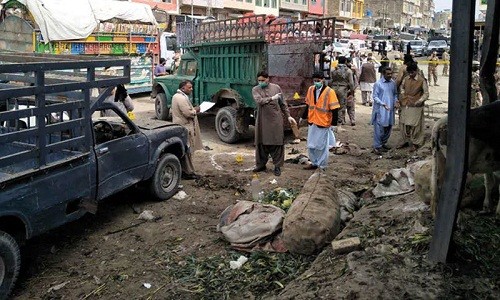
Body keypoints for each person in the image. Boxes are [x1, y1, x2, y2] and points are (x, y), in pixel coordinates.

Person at [251, 71, 296, 176]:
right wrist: (272, 98)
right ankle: (261, 165)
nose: (261, 82)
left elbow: (283, 104)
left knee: (277, 142)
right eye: (259, 80)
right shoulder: (255, 89)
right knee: (261, 143)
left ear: (268, 79)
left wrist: (288, 116)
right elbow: (259, 101)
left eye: (263, 80)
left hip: (275, 119)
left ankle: (277, 166)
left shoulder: (276, 88)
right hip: (262, 120)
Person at [300, 72, 340, 170]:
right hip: (312, 120)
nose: (316, 82)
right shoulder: (311, 89)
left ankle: (322, 165)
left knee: (321, 146)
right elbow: (308, 104)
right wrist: (303, 116)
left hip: (323, 122)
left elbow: (335, 109)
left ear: (322, 80)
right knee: (311, 144)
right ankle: (314, 162)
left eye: (318, 80)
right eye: (314, 81)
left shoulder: (329, 92)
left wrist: (334, 124)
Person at [171, 80, 202, 180]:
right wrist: (196, 110)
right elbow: (188, 113)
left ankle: (185, 171)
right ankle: (188, 172)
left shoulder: (179, 96)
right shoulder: (180, 98)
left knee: (186, 150)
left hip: (182, 126)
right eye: (190, 87)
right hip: (184, 127)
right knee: (187, 150)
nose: (191, 89)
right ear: (183, 88)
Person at [397, 62, 429, 151]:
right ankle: (405, 141)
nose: (410, 74)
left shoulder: (422, 80)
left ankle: (416, 143)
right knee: (403, 123)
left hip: (416, 106)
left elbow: (426, 94)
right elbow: (401, 87)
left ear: (416, 71)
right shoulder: (406, 78)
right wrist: (403, 95)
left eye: (412, 73)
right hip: (406, 104)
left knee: (416, 125)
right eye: (409, 73)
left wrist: (420, 101)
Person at [371, 67, 398, 155]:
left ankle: (383, 143)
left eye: (391, 74)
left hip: (390, 109)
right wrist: (382, 104)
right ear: (383, 74)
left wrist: (395, 102)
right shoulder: (378, 84)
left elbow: (395, 94)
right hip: (381, 109)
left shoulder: (393, 83)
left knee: (388, 127)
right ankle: (377, 146)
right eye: (388, 74)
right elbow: (375, 96)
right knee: (379, 129)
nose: (390, 75)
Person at [329, 56, 355, 126]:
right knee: (341, 106)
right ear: (346, 61)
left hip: (333, 89)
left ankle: (333, 119)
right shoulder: (348, 71)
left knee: (333, 105)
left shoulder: (333, 69)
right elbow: (351, 83)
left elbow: (330, 80)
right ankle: (340, 120)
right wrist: (352, 91)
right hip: (343, 89)